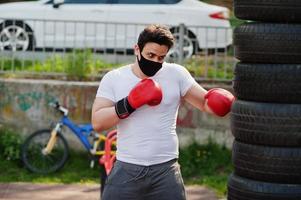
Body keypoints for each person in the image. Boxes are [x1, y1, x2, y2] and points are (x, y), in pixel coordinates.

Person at [91, 24, 234, 200]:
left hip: (166, 171)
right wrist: (130, 103)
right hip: (127, 168)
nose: (155, 62)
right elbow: (98, 122)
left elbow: (205, 102)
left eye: (161, 57)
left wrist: (220, 101)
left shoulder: (176, 74)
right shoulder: (115, 78)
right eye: (150, 55)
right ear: (137, 49)